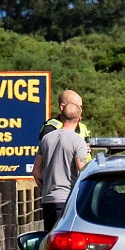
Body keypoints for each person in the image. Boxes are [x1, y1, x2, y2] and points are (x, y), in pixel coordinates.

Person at [33, 89, 89, 230]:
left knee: (51, 241)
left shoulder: (47, 138)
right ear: (79, 118)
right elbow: (81, 166)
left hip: (49, 200)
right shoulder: (78, 140)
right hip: (69, 201)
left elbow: (36, 171)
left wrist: (47, 189)